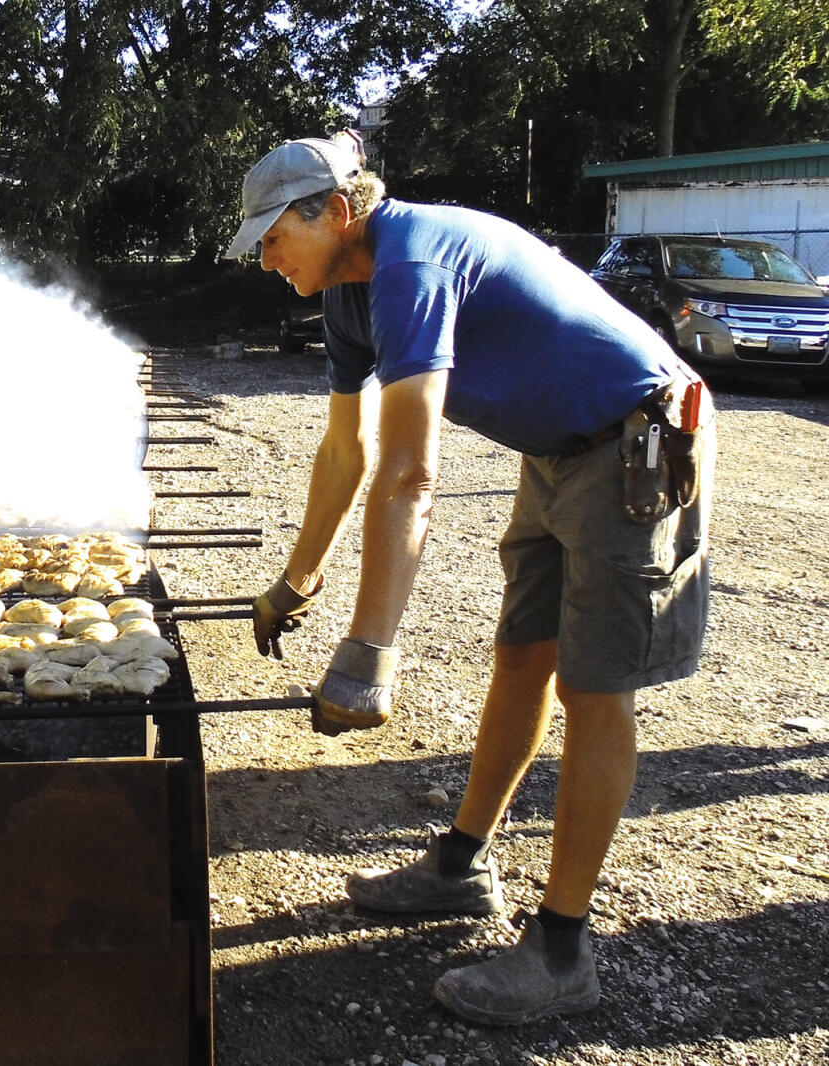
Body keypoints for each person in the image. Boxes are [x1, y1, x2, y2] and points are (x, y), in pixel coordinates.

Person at [228, 135, 715, 1026]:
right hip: (555, 448)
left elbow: (412, 472)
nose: (265, 258)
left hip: (635, 440)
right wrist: (296, 583)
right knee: (520, 657)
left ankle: (563, 950)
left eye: (271, 237)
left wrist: (371, 648)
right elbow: (348, 452)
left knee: (593, 687)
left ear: (334, 213)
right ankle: (461, 867)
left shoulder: (411, 260)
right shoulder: (344, 294)